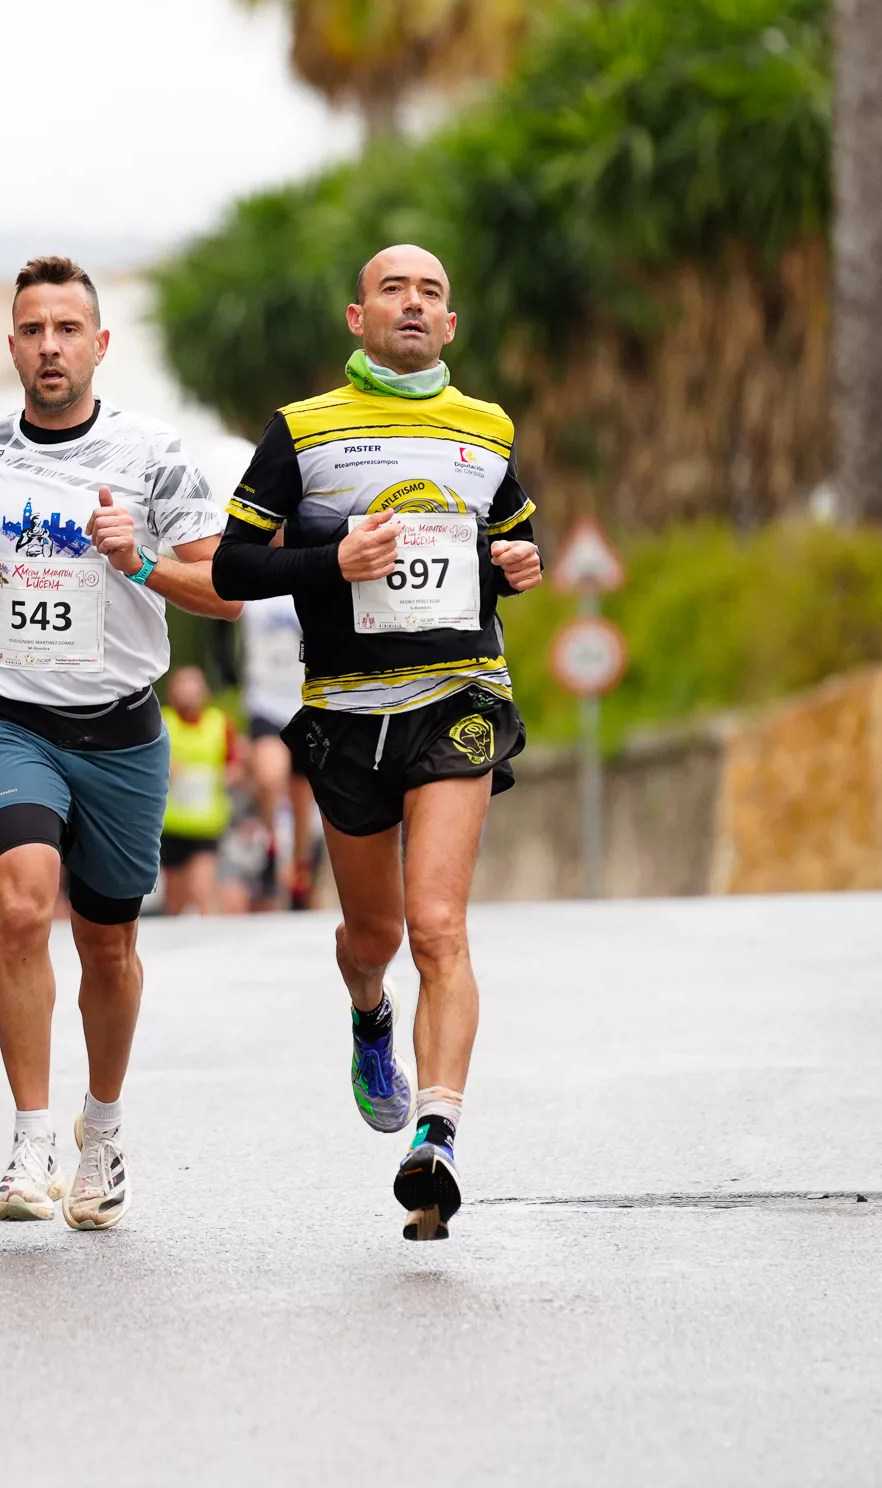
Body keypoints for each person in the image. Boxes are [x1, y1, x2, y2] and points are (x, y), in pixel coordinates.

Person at [208, 243, 542, 1243]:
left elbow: (512, 539)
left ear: (450, 326)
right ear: (358, 317)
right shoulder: (303, 430)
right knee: (377, 936)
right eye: (392, 288)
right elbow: (231, 565)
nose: (411, 302)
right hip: (347, 710)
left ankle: (435, 1133)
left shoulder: (486, 430)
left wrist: (516, 562)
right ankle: (367, 1011)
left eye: (431, 291)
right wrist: (331, 557)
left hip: (458, 695)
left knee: (438, 924)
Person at [0, 255, 239, 1231]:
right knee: (19, 905)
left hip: (122, 728)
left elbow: (222, 585)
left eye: (67, 329)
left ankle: (101, 1130)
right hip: (10, 715)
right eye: (32, 329)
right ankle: (29, 1137)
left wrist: (136, 555)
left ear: (99, 344)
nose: (49, 345)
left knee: (109, 940)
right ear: (12, 345)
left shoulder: (152, 453)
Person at [238, 589, 318, 908]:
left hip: (305, 701)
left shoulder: (310, 582)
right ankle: (271, 847)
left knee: (302, 798)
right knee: (271, 777)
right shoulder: (253, 590)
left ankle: (300, 869)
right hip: (264, 702)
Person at [158, 666, 235, 917]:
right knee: (175, 901)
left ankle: (213, 947)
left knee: (202, 889)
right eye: (181, 685)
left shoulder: (220, 724)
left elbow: (235, 763)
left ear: (205, 691)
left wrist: (224, 776)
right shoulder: (161, 722)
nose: (187, 692)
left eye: (193, 685)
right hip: (172, 825)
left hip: (206, 824)